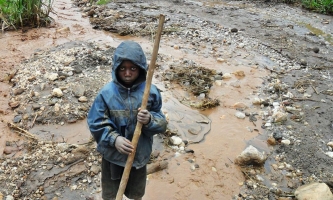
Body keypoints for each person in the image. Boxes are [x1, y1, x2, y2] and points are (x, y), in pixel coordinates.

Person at [87, 41, 167, 200]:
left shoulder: (150, 92)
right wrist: (114, 139)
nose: (128, 73)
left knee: (136, 194)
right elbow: (96, 122)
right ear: (116, 68)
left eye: (133, 68)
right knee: (111, 196)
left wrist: (150, 120)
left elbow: (162, 123)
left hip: (139, 157)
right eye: (123, 68)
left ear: (141, 69)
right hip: (113, 158)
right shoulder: (106, 94)